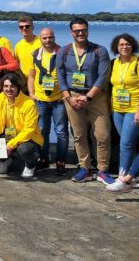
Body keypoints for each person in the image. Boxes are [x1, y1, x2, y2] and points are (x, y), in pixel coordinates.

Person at [56, 17, 113, 184]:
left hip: (95, 97)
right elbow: (60, 75)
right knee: (79, 135)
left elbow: (103, 76)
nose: (80, 33)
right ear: (71, 32)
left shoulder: (99, 50)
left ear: (87, 30)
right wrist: (68, 97)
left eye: (83, 30)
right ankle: (84, 168)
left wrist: (88, 97)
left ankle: (103, 170)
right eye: (76, 31)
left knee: (102, 135)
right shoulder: (64, 51)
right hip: (72, 97)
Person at [108, 33, 139, 177]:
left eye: (128, 44)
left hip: (135, 109)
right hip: (117, 109)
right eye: (121, 44)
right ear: (116, 47)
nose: (125, 47)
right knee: (127, 143)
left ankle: (123, 178)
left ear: (133, 46)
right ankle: (136, 175)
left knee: (126, 144)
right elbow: (111, 86)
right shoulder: (113, 63)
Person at [0, 74, 43, 178]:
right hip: (10, 135)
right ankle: (6, 160)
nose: (8, 89)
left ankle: (30, 165)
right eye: (6, 86)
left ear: (18, 87)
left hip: (29, 139)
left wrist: (11, 145)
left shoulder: (29, 103)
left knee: (24, 149)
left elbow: (29, 130)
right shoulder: (0, 99)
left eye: (12, 86)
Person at [27, 27, 68, 175]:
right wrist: (31, 93)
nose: (48, 40)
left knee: (61, 132)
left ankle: (61, 161)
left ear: (54, 37)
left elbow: (68, 74)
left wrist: (67, 94)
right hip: (41, 100)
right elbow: (31, 76)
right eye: (44, 38)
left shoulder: (62, 53)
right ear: (40, 39)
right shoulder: (36, 54)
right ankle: (43, 160)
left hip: (59, 100)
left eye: (50, 37)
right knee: (42, 131)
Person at [14, 16, 41, 90]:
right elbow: (15, 65)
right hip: (25, 83)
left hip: (40, 82)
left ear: (32, 27)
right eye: (21, 27)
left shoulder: (42, 41)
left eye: (27, 26)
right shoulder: (18, 45)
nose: (24, 28)